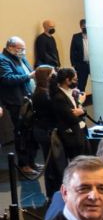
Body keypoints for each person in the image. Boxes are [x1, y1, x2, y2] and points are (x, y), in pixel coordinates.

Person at [1, 36, 40, 177]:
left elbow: (29, 71)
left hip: (29, 99)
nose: (23, 52)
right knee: (22, 134)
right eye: (20, 49)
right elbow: (7, 79)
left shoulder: (20, 58)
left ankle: (32, 161)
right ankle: (24, 164)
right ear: (10, 47)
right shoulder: (3, 60)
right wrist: (29, 76)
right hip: (16, 103)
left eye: (23, 49)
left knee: (32, 134)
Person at [31, 65, 60, 197]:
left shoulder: (41, 91)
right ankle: (52, 190)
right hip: (45, 131)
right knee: (51, 163)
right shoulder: (43, 95)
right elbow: (54, 111)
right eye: (52, 75)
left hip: (43, 129)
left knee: (52, 162)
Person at [51, 67, 88, 160]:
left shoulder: (71, 92)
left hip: (80, 131)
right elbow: (71, 117)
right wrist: (80, 111)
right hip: (73, 136)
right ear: (67, 80)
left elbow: (80, 111)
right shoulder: (59, 97)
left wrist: (81, 111)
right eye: (75, 79)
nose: (77, 81)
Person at [69, 19, 89, 95]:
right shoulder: (76, 37)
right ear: (80, 27)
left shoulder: (94, 36)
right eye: (83, 27)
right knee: (81, 85)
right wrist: (74, 65)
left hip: (93, 65)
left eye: (86, 26)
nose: (85, 28)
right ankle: (80, 103)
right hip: (82, 65)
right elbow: (72, 51)